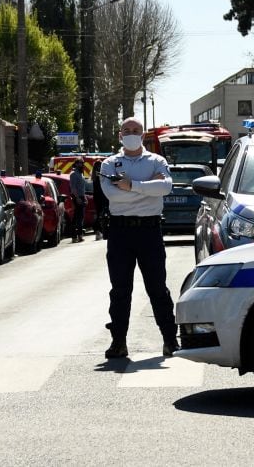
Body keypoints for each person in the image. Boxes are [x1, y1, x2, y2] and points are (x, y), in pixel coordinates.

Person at [98, 116, 178, 359]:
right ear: (120, 135)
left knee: (157, 288)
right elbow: (112, 196)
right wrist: (146, 188)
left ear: (143, 135)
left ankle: (169, 340)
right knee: (120, 290)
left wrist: (131, 185)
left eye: (136, 130)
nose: (131, 133)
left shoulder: (157, 161)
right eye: (126, 130)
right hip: (120, 233)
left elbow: (165, 188)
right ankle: (118, 343)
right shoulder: (109, 164)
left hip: (149, 232)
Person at [69, 159, 87, 243]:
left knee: (81, 217)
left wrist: (85, 197)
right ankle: (75, 236)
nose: (82, 165)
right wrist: (77, 198)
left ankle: (79, 235)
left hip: (81, 196)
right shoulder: (73, 174)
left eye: (83, 163)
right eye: (80, 163)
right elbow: (73, 188)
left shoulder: (81, 173)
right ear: (76, 164)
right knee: (77, 217)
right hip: (77, 197)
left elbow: (82, 188)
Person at [92, 157, 109, 242]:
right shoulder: (100, 175)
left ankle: (98, 231)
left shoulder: (94, 176)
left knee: (99, 214)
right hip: (103, 196)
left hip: (98, 197)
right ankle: (102, 230)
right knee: (104, 213)